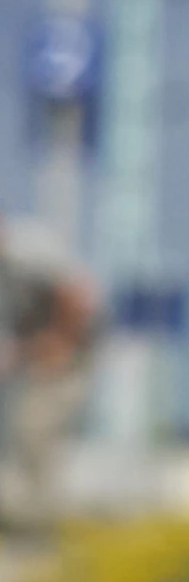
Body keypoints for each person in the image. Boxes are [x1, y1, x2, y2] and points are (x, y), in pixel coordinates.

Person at [0, 215, 97, 527]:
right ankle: (30, 517)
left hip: (66, 361)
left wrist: (61, 344)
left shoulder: (27, 254)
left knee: (35, 432)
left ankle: (38, 522)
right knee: (24, 435)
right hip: (37, 360)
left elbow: (77, 296)